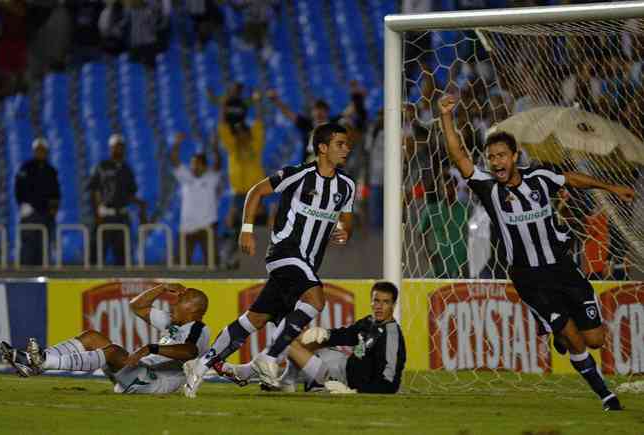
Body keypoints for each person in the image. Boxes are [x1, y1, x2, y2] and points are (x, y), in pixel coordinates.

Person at [438, 94, 635, 411]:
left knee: (595, 339)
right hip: (529, 278)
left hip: (563, 269)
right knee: (574, 338)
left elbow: (572, 179)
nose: (496, 162)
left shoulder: (539, 178)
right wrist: (446, 117)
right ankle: (606, 396)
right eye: (491, 157)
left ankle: (559, 333)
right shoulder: (488, 187)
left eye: (502, 156)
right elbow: (459, 156)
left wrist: (611, 188)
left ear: (515, 156)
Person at [183, 123, 355, 397]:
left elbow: (347, 220)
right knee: (316, 300)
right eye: (340, 144)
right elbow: (256, 192)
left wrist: (344, 231)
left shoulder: (347, 185)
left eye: (346, 144)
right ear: (322, 148)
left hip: (307, 264)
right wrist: (247, 229)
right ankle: (269, 358)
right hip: (284, 252)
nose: (346, 149)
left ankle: (202, 366)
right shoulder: (297, 174)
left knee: (255, 319)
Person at [0, 283, 210, 395]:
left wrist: (150, 348)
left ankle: (40, 362)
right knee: (92, 336)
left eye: (179, 301)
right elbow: (137, 306)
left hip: (156, 382)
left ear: (192, 309)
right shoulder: (175, 322)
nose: (173, 305)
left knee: (112, 351)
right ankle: (36, 362)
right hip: (140, 371)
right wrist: (162, 287)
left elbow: (189, 352)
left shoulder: (198, 329)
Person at [221, 281, 406, 394]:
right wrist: (325, 334)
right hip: (343, 365)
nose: (379, 306)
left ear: (394, 304)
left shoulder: (392, 335)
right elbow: (348, 335)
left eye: (386, 302)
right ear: (371, 301)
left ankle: (254, 374)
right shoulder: (370, 321)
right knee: (301, 338)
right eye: (376, 301)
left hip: (345, 381)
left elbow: (389, 384)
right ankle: (288, 380)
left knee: (289, 341)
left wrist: (355, 392)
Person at [216, 89, 266, 269]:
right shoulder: (232, 147)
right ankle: (231, 260)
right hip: (239, 196)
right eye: (237, 134)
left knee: (259, 228)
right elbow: (222, 128)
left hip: (257, 194)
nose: (240, 136)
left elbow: (259, 122)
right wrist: (223, 106)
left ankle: (258, 263)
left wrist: (258, 103)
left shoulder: (256, 144)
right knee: (233, 227)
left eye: (243, 133)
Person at [267, 81, 367, 162]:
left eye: (322, 110)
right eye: (316, 110)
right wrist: (276, 101)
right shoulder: (307, 124)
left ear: (327, 112)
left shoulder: (334, 123)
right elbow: (289, 114)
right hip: (310, 165)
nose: (319, 113)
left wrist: (358, 95)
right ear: (312, 112)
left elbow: (350, 110)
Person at [87, 134, 147, 266]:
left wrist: (140, 204)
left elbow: (130, 193)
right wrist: (96, 212)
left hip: (122, 216)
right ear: (110, 148)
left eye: (121, 146)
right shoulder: (102, 166)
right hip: (104, 215)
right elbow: (94, 189)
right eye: (115, 146)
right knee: (96, 255)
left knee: (122, 256)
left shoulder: (127, 169)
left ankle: (120, 285)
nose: (118, 149)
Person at [170, 131, 222, 267]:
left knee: (212, 264)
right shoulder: (186, 177)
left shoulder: (211, 178)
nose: (194, 166)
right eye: (192, 163)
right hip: (187, 227)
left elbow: (218, 163)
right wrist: (176, 144)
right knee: (181, 265)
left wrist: (215, 147)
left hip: (207, 226)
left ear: (205, 166)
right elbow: (174, 162)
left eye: (197, 164)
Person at [14, 137, 60, 266]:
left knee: (44, 247)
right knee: (28, 247)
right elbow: (18, 188)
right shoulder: (26, 167)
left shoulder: (51, 171)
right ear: (34, 151)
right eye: (38, 149)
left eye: (43, 149)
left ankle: (42, 276)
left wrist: (54, 209)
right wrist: (22, 204)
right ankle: (26, 278)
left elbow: (55, 193)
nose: (40, 152)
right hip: (30, 213)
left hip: (46, 215)